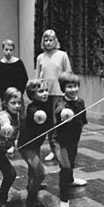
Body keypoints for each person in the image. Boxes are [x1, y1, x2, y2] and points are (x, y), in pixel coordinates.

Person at [53, 72, 88, 207]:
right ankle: (64, 201)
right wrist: (64, 113)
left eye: (75, 86)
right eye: (69, 87)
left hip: (74, 139)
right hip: (59, 141)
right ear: (63, 88)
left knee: (71, 162)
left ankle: (71, 180)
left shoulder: (80, 102)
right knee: (65, 168)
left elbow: (82, 120)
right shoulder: (61, 103)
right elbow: (59, 110)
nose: (73, 89)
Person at [36, 29, 72, 162]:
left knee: (60, 122)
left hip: (59, 94)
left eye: (51, 40)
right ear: (43, 42)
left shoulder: (62, 55)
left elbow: (68, 74)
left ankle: (63, 148)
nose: (48, 42)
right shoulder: (40, 57)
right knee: (49, 124)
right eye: (46, 40)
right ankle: (53, 149)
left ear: (55, 41)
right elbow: (37, 78)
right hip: (45, 95)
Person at [18, 78, 50, 207]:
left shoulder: (46, 105)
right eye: (41, 91)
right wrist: (39, 115)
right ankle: (31, 198)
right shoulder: (33, 108)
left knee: (33, 171)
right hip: (27, 146)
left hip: (36, 144)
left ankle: (31, 184)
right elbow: (35, 114)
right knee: (40, 173)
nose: (45, 93)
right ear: (32, 95)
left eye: (46, 90)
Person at [0, 39, 28, 155]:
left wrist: (19, 93)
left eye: (10, 50)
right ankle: (10, 143)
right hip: (6, 98)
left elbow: (24, 79)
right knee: (7, 121)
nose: (8, 52)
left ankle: (22, 142)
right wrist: (4, 96)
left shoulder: (19, 63)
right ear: (2, 49)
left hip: (18, 96)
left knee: (22, 119)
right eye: (6, 50)